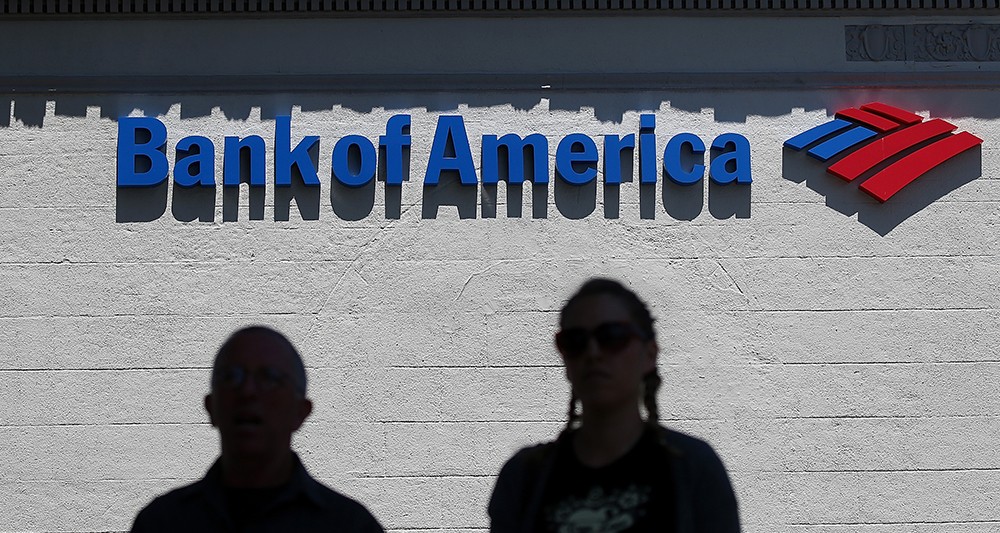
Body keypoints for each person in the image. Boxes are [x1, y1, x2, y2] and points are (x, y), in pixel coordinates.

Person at [488, 278, 740, 533]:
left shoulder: (694, 466)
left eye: (612, 337)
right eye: (575, 341)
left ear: (650, 354)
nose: (593, 353)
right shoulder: (524, 476)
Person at [131, 326, 384, 533]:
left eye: (269, 378)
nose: (247, 392)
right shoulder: (161, 523)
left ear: (300, 412)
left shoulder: (350, 526)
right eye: (232, 376)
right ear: (211, 407)